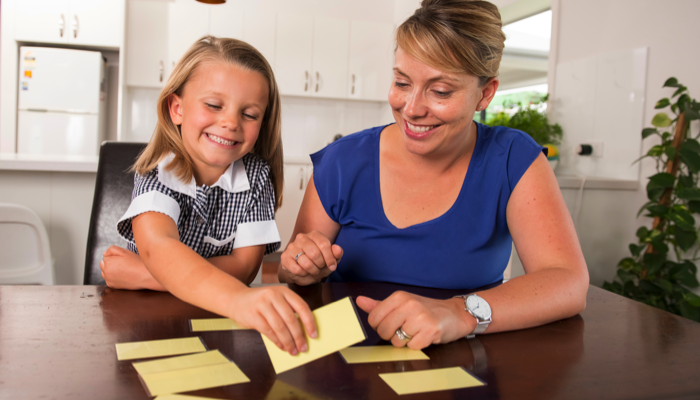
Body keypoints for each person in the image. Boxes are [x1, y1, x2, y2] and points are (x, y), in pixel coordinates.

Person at [279, 0, 589, 350]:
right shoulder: (342, 161)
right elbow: (291, 272)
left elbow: (567, 282)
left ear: (485, 93)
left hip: (462, 356)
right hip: (346, 358)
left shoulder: (512, 158)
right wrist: (299, 267)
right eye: (401, 82)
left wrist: (461, 313)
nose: (412, 109)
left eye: (441, 91)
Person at [100, 36, 316, 356]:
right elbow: (160, 248)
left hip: (217, 327)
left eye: (250, 114)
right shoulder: (157, 173)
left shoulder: (257, 176)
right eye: (214, 105)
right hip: (147, 324)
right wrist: (237, 297)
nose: (230, 123)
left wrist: (143, 273)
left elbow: (244, 268)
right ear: (177, 109)